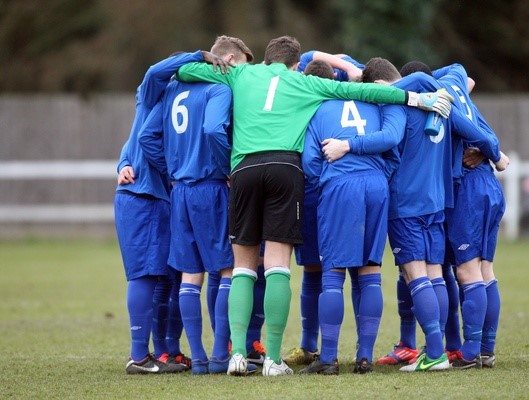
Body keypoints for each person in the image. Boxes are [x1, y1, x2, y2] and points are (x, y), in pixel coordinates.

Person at [175, 35, 453, 377]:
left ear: (265, 59)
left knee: (244, 268)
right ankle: (274, 360)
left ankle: (237, 354)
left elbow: (185, 72)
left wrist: (203, 56)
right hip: (288, 170)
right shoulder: (305, 83)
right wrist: (416, 98)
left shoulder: (241, 73)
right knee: (279, 266)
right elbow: (367, 92)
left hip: (244, 168)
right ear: (295, 65)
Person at [322, 57, 506, 372]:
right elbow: (480, 130)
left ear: (380, 87)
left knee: (415, 274)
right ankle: (448, 350)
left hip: (405, 204)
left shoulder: (396, 106)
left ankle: (434, 353)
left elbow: (389, 138)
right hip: (438, 203)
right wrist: (496, 154)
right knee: (437, 274)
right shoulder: (443, 105)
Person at [138, 35, 255, 375]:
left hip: (181, 192)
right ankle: (219, 356)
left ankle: (199, 360)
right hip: (211, 187)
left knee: (191, 274)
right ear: (227, 60)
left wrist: (172, 171)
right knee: (227, 268)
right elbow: (214, 130)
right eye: (240, 67)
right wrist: (228, 168)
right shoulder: (219, 88)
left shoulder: (174, 87)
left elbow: (147, 136)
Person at [115, 49, 228, 374]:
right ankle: (139, 356)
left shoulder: (174, 96)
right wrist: (198, 55)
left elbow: (134, 140)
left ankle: (168, 351)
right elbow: (153, 75)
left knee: (172, 275)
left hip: (168, 198)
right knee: (146, 274)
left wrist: (125, 161)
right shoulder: (153, 90)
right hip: (144, 194)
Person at [297, 60, 395, 375]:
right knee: (370, 272)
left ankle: (328, 358)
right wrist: (377, 175)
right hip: (376, 186)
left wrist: (328, 180)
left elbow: (310, 161)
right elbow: (393, 153)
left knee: (333, 274)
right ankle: (365, 358)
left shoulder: (318, 109)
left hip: (340, 187)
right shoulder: (374, 103)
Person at [285, 51, 365, 367]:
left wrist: (344, 65)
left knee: (322, 270)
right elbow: (359, 66)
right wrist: (347, 65)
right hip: (335, 191)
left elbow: (304, 56)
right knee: (332, 268)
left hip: (317, 189)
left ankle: (315, 345)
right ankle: (355, 349)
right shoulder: (347, 95)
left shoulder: (308, 103)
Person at [430, 62, 508, 369]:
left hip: (469, 190)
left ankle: (471, 351)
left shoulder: (443, 100)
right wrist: (493, 155)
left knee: (467, 272)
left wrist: (494, 153)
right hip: (488, 186)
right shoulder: (462, 90)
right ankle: (486, 349)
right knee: (485, 270)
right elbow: (465, 75)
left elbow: (486, 140)